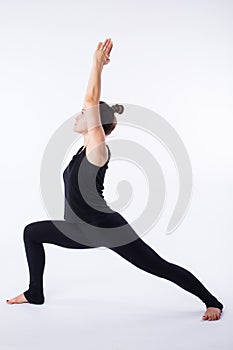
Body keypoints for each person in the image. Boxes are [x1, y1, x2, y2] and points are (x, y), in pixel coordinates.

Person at [6, 38, 224, 321]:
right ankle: (35, 293)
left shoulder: (98, 150)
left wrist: (97, 65)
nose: (80, 114)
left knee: (159, 266)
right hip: (78, 230)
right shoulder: (83, 149)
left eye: (85, 114)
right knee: (31, 232)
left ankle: (212, 301)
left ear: (96, 123)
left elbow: (90, 101)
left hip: (105, 228)